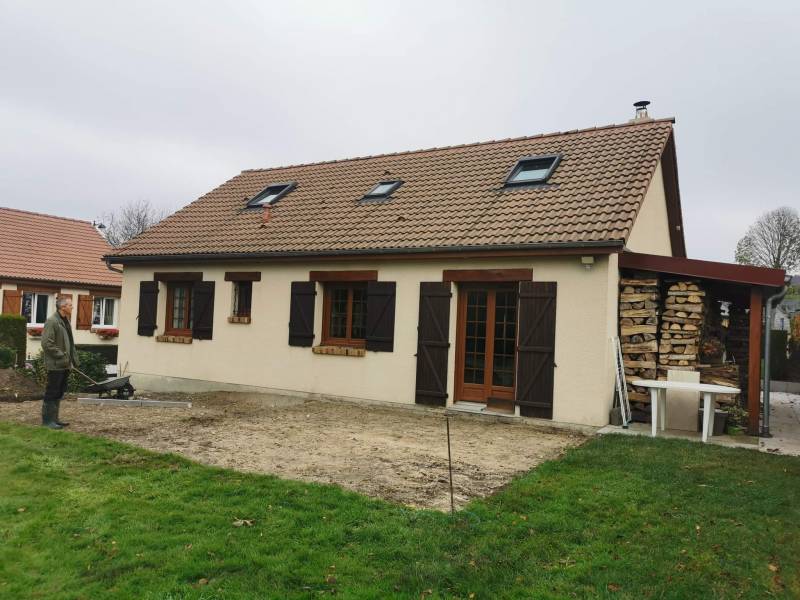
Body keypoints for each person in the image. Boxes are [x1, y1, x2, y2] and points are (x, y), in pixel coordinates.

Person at [40, 296, 80, 429]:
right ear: (62, 307)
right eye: (70, 305)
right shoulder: (52, 321)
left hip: (65, 364)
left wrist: (72, 359)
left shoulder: (64, 321)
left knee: (59, 391)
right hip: (56, 364)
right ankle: (47, 421)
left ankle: (55, 419)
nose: (72, 307)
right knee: (52, 391)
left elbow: (70, 342)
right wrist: (61, 355)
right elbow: (47, 343)